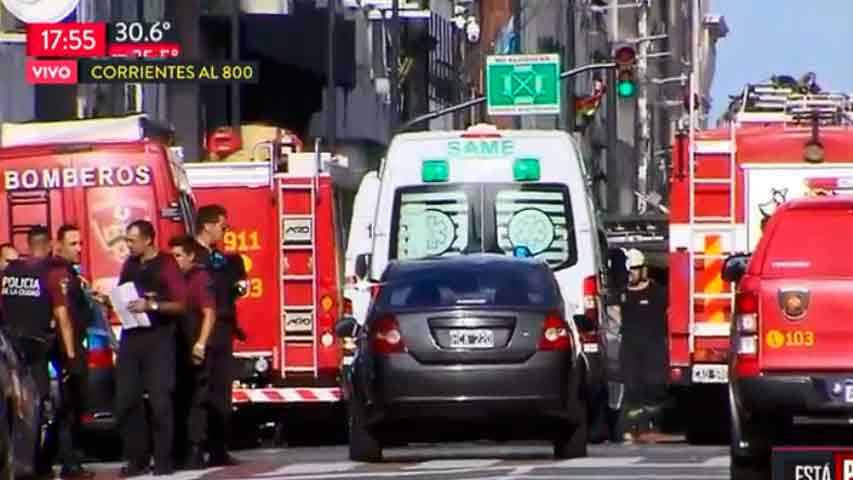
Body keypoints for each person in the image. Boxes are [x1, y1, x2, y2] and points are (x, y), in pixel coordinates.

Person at [110, 220, 186, 476]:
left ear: (148, 240)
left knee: (160, 401)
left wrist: (152, 306)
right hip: (132, 337)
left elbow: (181, 304)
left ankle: (164, 459)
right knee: (126, 400)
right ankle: (136, 458)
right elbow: (122, 292)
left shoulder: (166, 264)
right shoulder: (129, 265)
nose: (128, 246)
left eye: (132, 241)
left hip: (159, 338)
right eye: (127, 240)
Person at [0, 226, 77, 478]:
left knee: (12, 410)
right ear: (49, 246)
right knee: (38, 405)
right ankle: (35, 465)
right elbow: (63, 318)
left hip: (8, 349)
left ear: (27, 243)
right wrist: (71, 356)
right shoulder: (52, 274)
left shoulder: (9, 272)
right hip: (36, 350)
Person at [193, 204, 244, 466]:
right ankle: (195, 449)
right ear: (208, 226)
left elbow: (229, 291)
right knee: (199, 393)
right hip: (201, 330)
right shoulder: (193, 258)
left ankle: (218, 449)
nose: (225, 233)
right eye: (223, 227)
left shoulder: (222, 259)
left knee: (221, 393)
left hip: (223, 329)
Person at [44, 225, 95, 478]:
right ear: (58, 245)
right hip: (67, 350)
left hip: (72, 345)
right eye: (73, 244)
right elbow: (63, 317)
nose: (79, 248)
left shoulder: (69, 273)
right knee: (69, 408)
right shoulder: (60, 273)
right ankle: (69, 464)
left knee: (72, 407)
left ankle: (51, 461)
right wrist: (72, 356)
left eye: (81, 243)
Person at [169, 235, 216, 470]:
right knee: (179, 398)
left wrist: (201, 343)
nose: (174, 261)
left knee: (197, 400)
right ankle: (180, 450)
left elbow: (209, 313)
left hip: (194, 344)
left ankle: (196, 450)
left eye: (178, 256)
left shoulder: (200, 278)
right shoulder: (172, 279)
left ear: (190, 256)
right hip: (175, 346)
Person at [618, 249, 673, 443]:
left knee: (654, 386)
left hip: (654, 348)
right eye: (628, 270)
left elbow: (671, 315)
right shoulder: (621, 295)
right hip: (630, 349)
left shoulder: (659, 293)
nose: (630, 274)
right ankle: (634, 427)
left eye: (634, 270)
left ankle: (654, 424)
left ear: (643, 270)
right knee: (632, 388)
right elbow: (614, 319)